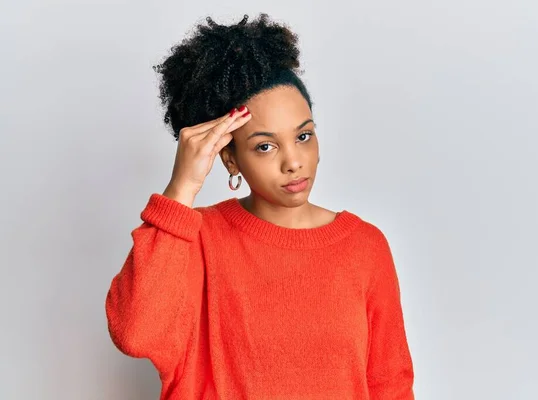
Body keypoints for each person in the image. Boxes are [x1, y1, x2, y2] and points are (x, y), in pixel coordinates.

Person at [105, 13, 414, 399]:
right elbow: (135, 332)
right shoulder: (194, 238)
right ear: (230, 159)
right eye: (265, 146)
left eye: (303, 136)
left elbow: (390, 384)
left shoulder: (365, 247)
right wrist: (182, 186)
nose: (293, 161)